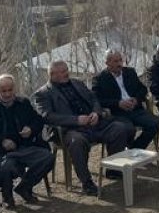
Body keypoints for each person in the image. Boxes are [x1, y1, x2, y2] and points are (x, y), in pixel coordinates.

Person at [34, 61, 131, 194]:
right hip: (69, 130)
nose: (66, 73)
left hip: (93, 123)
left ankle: (113, 170)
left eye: (66, 70)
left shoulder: (77, 83)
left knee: (119, 128)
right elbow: (47, 116)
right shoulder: (43, 94)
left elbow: (94, 99)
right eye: (62, 72)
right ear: (52, 75)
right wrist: (76, 120)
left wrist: (96, 113)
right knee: (77, 141)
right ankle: (87, 183)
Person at [0, 75, 54, 208]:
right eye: (3, 91)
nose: (8, 94)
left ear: (14, 89)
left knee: (47, 157)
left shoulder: (23, 102)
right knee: (7, 166)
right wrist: (1, 140)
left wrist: (30, 129)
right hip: (0, 152)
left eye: (10, 90)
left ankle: (24, 187)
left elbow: (38, 120)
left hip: (25, 147)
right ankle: (7, 197)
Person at [92, 49, 159, 148]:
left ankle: (136, 148)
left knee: (156, 123)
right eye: (115, 61)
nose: (119, 64)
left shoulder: (130, 72)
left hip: (135, 109)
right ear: (107, 63)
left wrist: (136, 99)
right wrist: (118, 103)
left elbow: (142, 89)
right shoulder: (100, 79)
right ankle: (130, 154)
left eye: (120, 60)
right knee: (128, 129)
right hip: (117, 113)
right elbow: (97, 100)